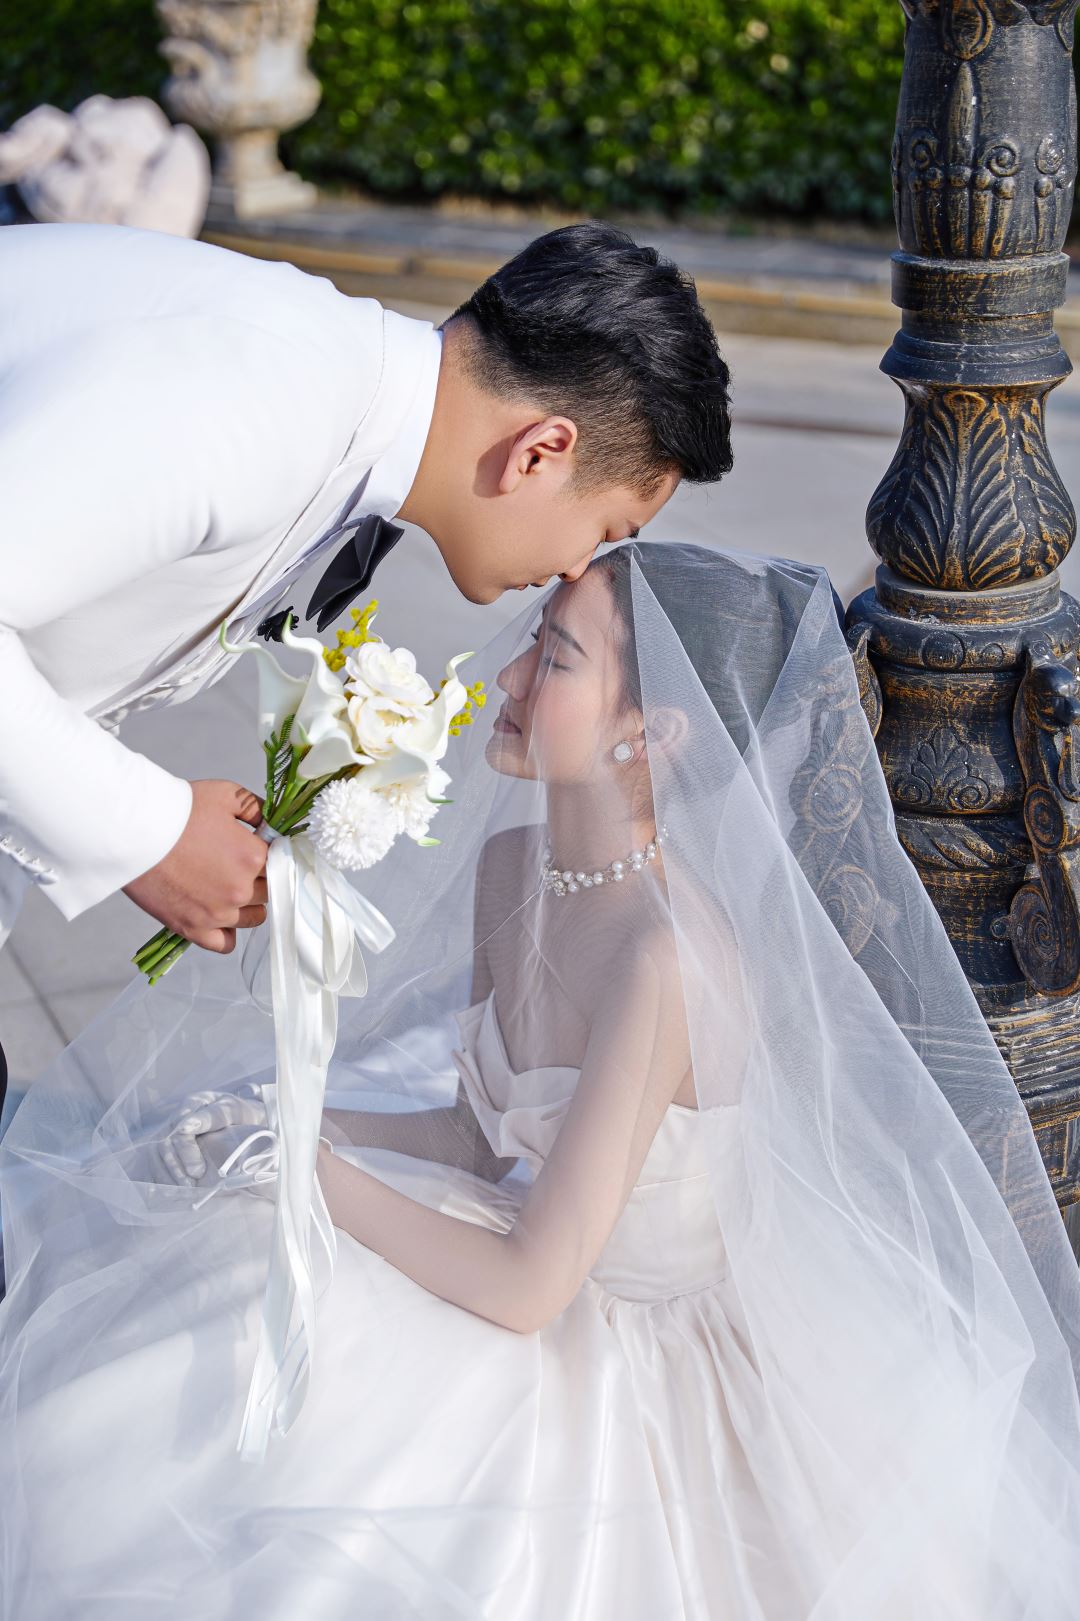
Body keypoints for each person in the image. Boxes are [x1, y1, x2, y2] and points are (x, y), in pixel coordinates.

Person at [3, 542, 1080, 1618]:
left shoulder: (665, 960)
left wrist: (310, 1172)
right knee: (234, 1265)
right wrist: (289, 1119)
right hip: (528, 1255)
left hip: (632, 1350)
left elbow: (530, 1286)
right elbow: (478, 1141)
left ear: (649, 732)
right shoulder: (511, 868)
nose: (509, 677)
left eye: (557, 659)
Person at [0, 218, 732, 1113]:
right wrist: (152, 831)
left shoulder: (331, 402)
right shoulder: (249, 400)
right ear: (540, 451)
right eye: (607, 530)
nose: (582, 570)